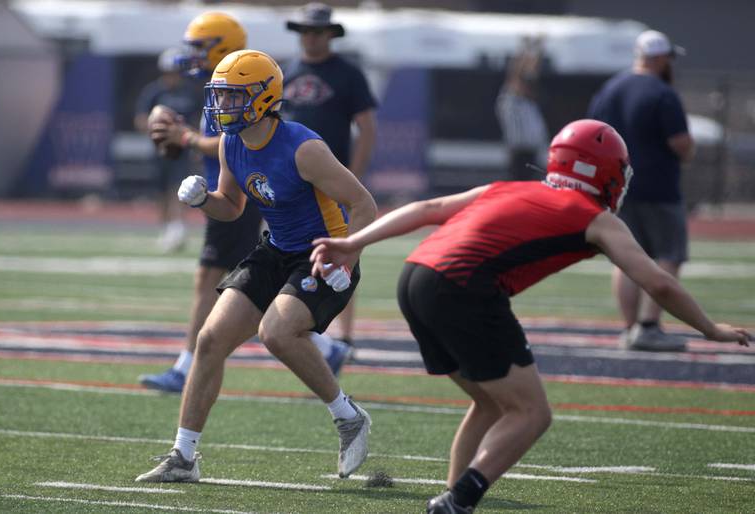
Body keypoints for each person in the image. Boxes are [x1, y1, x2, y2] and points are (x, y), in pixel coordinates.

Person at [310, 119, 752, 513]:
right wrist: (709, 328)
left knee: (489, 402)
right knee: (531, 414)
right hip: (464, 289)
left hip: (416, 277)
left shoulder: (509, 188)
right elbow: (658, 283)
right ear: (603, 172)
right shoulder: (597, 218)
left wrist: (354, 242)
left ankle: (452, 500)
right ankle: (458, 501)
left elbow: (427, 210)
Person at [135, 49, 378, 483]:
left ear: (264, 98)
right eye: (221, 97)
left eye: (233, 97)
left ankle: (348, 416)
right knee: (210, 339)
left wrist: (346, 255)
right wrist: (203, 201)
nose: (222, 107)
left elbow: (364, 204)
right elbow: (231, 206)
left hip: (323, 253)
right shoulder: (232, 143)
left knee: (277, 333)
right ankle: (184, 456)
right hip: (276, 249)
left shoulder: (304, 148)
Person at [137, 12, 263, 393]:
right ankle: (324, 347)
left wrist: (185, 137)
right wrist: (177, 134)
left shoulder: (240, 83)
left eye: (199, 46)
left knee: (218, 281)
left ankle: (185, 367)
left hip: (235, 193)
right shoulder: (218, 83)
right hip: (224, 190)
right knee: (243, 283)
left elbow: (234, 143)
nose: (192, 54)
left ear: (221, 45)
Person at [283, 2, 378, 372]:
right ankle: (314, 335)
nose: (311, 37)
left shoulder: (348, 74)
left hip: (332, 181)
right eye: (306, 31)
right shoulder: (286, 71)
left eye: (317, 31)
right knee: (289, 254)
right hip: (292, 185)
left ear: (330, 35)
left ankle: (344, 337)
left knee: (343, 252)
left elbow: (367, 127)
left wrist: (352, 177)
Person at [588, 30, 695, 352]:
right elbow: (681, 143)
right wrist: (690, 153)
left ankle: (629, 327)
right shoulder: (663, 93)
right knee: (669, 254)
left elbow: (592, 134)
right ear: (661, 57)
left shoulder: (610, 89)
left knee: (626, 259)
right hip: (659, 187)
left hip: (618, 188)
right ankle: (648, 325)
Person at [134, 47, 202, 253]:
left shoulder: (190, 92)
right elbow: (140, 119)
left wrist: (190, 137)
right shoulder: (154, 92)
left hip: (182, 148)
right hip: (160, 149)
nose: (173, 77)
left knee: (177, 188)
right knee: (161, 191)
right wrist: (158, 128)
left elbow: (199, 121)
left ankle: (177, 228)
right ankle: (166, 228)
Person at [495, 35, 549, 181]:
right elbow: (516, 74)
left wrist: (538, 50)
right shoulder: (510, 101)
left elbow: (531, 73)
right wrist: (525, 48)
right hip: (520, 152)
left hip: (532, 152)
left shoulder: (527, 103)